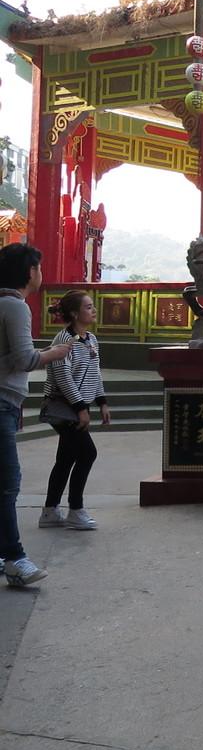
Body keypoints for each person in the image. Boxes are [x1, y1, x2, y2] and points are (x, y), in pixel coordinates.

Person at [0, 245, 72, 586]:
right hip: (2, 402)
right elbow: (25, 360)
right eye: (39, 268)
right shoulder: (15, 306)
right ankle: (15, 558)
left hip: (5, 402)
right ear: (30, 272)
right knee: (7, 484)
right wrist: (54, 353)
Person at [40, 290, 109, 531]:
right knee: (88, 453)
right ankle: (76, 510)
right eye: (88, 307)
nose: (93, 310)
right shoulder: (64, 340)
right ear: (74, 313)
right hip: (63, 407)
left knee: (66, 457)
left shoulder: (91, 339)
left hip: (78, 406)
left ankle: (50, 511)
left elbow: (95, 372)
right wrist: (80, 408)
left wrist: (102, 402)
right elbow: (63, 378)